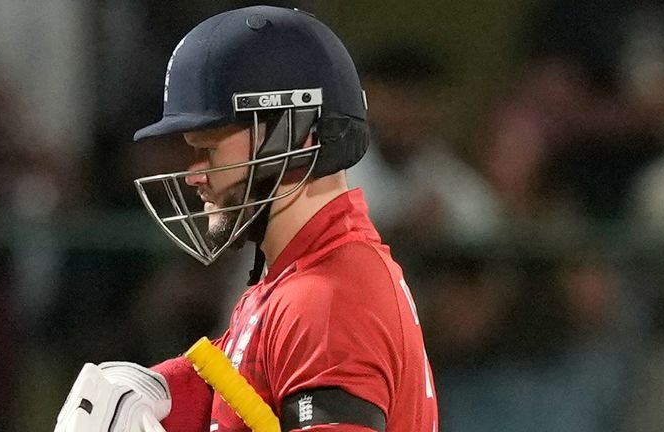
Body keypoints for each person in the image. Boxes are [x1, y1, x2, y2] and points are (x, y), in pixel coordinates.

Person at [54, 6, 438, 432]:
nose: (194, 175)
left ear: (291, 135)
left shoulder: (325, 297)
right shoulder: (296, 281)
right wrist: (155, 388)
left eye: (209, 149)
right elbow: (237, 394)